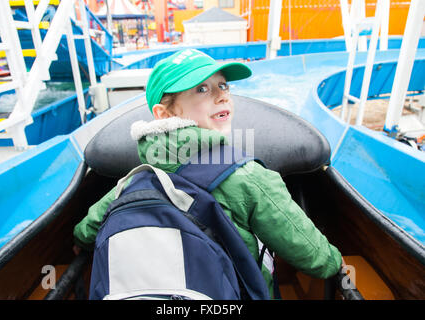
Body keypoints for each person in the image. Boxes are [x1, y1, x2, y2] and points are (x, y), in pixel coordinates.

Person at [73, 48, 343, 298]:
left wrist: (80, 244)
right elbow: (311, 253)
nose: (222, 95)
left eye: (223, 85)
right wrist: (335, 263)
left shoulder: (132, 181)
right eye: (202, 89)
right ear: (164, 114)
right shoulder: (248, 176)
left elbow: (86, 231)